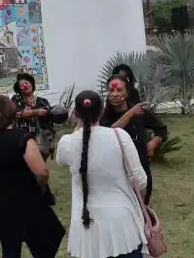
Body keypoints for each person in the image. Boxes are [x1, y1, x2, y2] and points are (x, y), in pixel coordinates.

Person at [57, 90, 147, 258]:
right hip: (123, 226)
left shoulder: (67, 143)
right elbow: (140, 181)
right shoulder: (120, 136)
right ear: (102, 109)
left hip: (86, 231)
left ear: (76, 113)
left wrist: (79, 126)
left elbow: (61, 159)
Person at [0, 95, 65, 257]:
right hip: (26, 201)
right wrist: (41, 185)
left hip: (0, 202)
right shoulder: (22, 138)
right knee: (43, 246)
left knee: (10, 249)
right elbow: (41, 172)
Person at [100, 74, 168, 205]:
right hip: (115, 174)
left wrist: (152, 145)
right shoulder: (103, 117)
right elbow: (111, 132)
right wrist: (130, 114)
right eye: (111, 90)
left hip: (141, 171)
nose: (114, 94)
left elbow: (161, 129)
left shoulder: (139, 113)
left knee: (142, 212)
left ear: (127, 92)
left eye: (119, 90)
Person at [11, 73, 57, 205]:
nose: (24, 86)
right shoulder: (16, 100)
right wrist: (36, 112)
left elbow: (50, 118)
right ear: (19, 89)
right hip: (24, 139)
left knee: (39, 168)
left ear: (32, 84)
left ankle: (41, 194)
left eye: (26, 83)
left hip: (42, 139)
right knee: (29, 169)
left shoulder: (43, 101)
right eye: (21, 85)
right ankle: (43, 195)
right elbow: (17, 113)